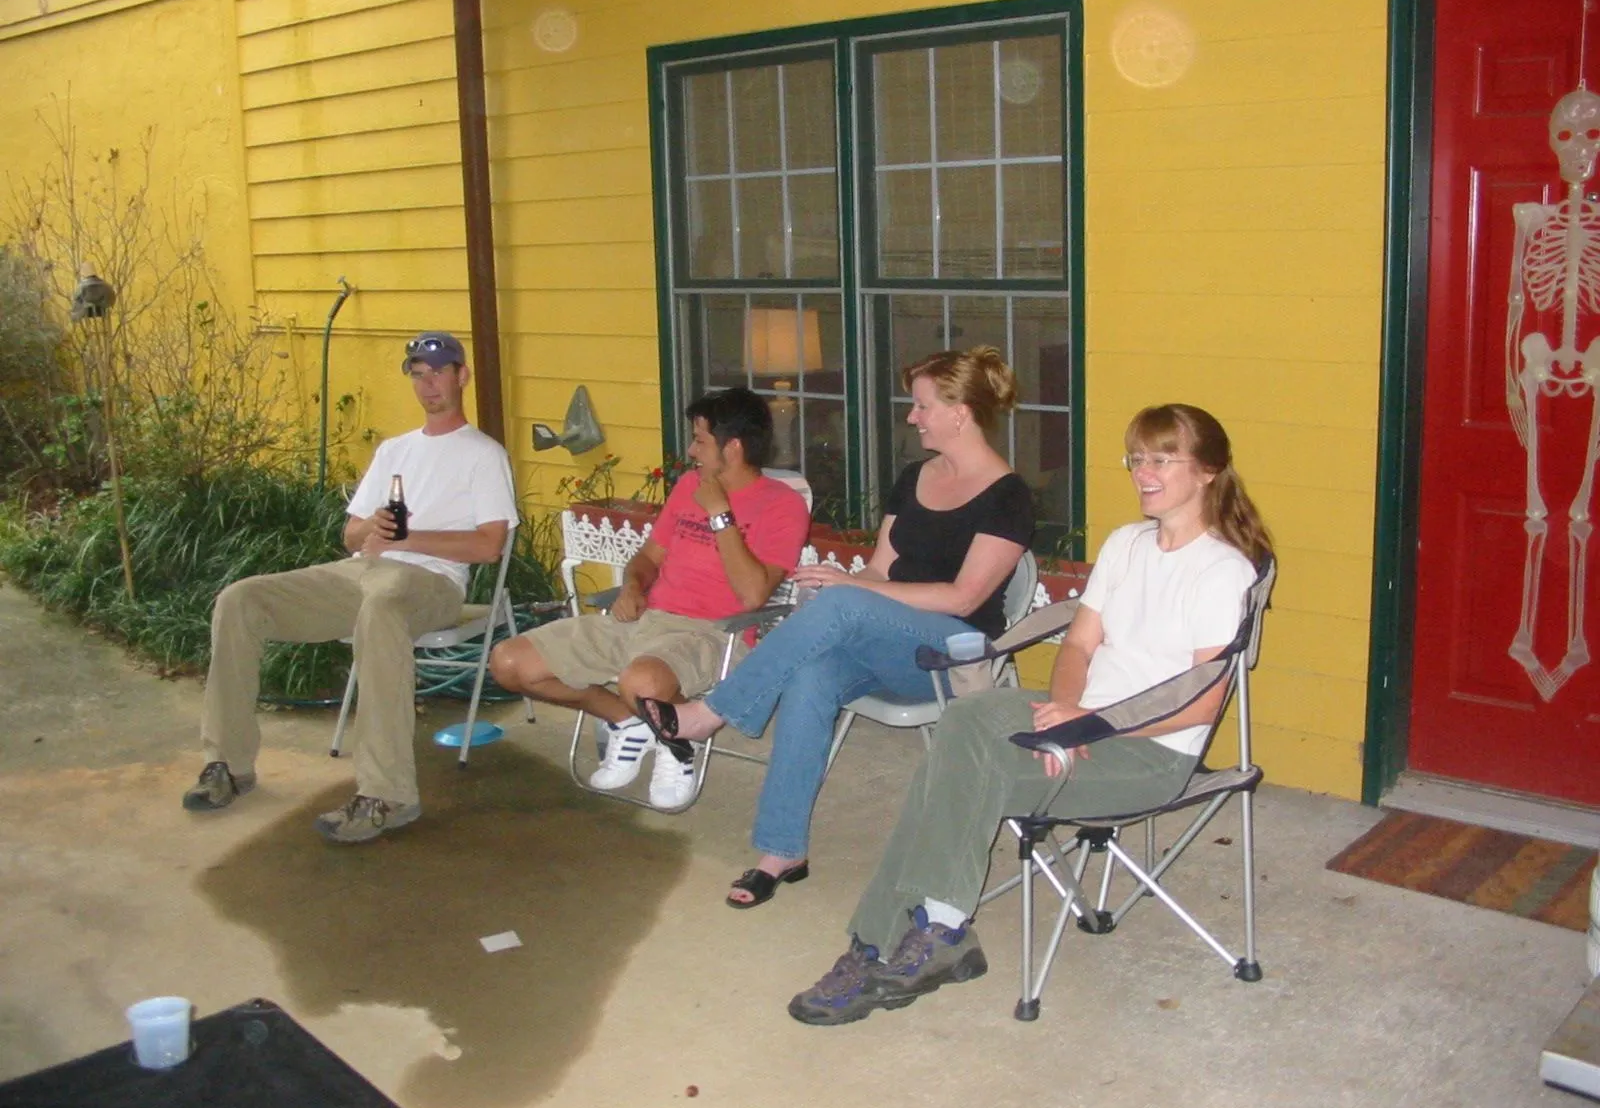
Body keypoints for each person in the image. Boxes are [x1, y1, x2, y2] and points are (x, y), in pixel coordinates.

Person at [781, 403, 1273, 1025]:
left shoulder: (1221, 570)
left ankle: (906, 938)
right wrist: (1067, 707)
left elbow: (1200, 703)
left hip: (1150, 753)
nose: (1143, 473)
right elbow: (1078, 645)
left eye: (1162, 460)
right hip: (1079, 718)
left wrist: (1089, 725)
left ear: (1207, 472)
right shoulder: (1127, 544)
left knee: (959, 775)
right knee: (964, 721)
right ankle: (920, 936)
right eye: (1137, 458)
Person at [640, 347, 1035, 907]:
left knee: (846, 600)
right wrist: (844, 589)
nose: (912, 417)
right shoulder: (915, 477)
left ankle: (708, 714)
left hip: (955, 653)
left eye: (922, 406)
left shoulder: (1008, 496)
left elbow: (964, 596)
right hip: (889, 641)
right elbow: (879, 569)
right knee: (813, 673)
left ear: (960, 413)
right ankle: (781, 851)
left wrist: (853, 591)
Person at [181, 331, 520, 844]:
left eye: (439, 372)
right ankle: (228, 764)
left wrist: (409, 538)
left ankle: (388, 794)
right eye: (419, 375)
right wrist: (371, 530)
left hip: (431, 581)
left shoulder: (483, 454)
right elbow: (350, 534)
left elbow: (490, 545)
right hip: (364, 571)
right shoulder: (393, 450)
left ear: (462, 376)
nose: (429, 385)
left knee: (382, 605)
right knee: (240, 599)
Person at [489, 387, 810, 810]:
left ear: (732, 448)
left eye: (700, 441)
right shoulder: (689, 486)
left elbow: (752, 595)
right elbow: (648, 557)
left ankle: (676, 744)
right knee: (509, 663)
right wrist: (633, 587)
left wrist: (720, 514)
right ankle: (629, 722)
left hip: (714, 634)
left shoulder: (783, 505)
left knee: (640, 682)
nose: (691, 451)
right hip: (646, 619)